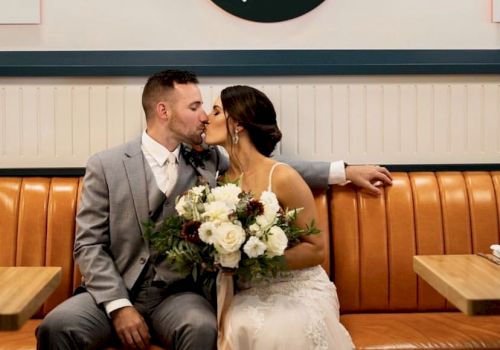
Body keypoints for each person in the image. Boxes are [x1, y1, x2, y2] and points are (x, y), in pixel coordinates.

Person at [36, 70, 390, 350]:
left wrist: (344, 171)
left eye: (209, 108)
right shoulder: (106, 164)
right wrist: (119, 306)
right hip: (110, 293)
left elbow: (269, 168)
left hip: (176, 296)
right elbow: (89, 246)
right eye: (194, 107)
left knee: (203, 328)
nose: (204, 117)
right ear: (164, 111)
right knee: (57, 326)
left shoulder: (208, 160)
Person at [204, 85, 357, 349]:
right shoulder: (219, 184)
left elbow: (316, 250)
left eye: (216, 111)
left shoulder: (283, 177)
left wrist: (260, 260)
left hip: (297, 286)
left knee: (278, 330)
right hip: (249, 292)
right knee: (240, 324)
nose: (206, 117)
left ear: (238, 124)